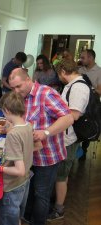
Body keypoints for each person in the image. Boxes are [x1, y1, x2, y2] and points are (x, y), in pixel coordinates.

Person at [8, 68, 74, 225]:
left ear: (28, 80)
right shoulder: (20, 97)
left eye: (18, 86)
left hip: (48, 157)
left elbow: (68, 118)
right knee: (30, 191)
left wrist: (46, 132)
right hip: (30, 156)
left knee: (41, 194)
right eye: (12, 88)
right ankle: (28, 219)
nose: (15, 91)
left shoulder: (46, 94)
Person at [47, 59, 90, 221]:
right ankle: (56, 200)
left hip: (68, 138)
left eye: (59, 74)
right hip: (64, 137)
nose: (60, 77)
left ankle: (59, 209)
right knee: (59, 173)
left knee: (62, 175)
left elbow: (73, 116)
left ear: (64, 71)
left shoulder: (79, 87)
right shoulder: (72, 85)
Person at [0, 91, 34, 225]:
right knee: (17, 216)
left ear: (7, 111)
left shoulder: (13, 135)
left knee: (8, 219)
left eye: (3, 112)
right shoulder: (27, 125)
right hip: (24, 181)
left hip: (12, 185)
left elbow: (19, 170)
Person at [78, 49, 101, 160]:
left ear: (90, 58)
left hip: (92, 104)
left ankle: (84, 150)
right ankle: (76, 150)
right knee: (77, 125)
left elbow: (100, 91)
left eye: (83, 57)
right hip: (78, 102)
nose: (80, 59)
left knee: (87, 127)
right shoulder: (79, 69)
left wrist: (88, 86)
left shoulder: (99, 71)